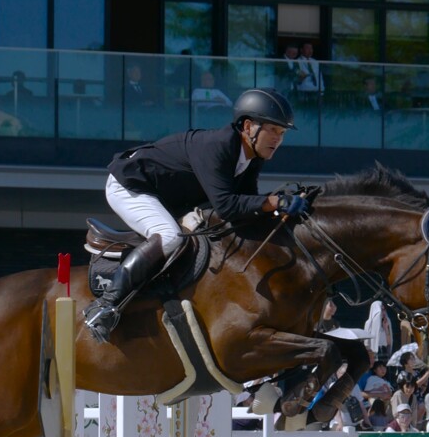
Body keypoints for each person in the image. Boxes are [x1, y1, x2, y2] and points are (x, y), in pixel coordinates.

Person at [83, 88, 306, 343]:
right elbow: (227, 206)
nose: (278, 139)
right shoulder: (218, 147)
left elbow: (247, 207)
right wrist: (275, 201)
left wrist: (277, 209)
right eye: (274, 130)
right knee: (169, 237)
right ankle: (105, 306)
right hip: (131, 185)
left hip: (166, 196)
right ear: (248, 127)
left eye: (283, 133)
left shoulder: (251, 157)